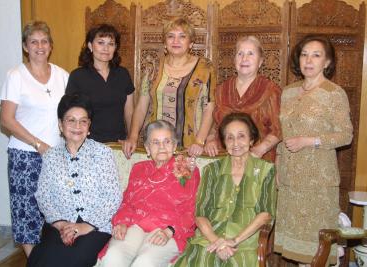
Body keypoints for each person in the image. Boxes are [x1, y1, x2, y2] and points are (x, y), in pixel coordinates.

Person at [274, 35, 353, 265]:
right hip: (290, 181)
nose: (308, 60)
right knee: (299, 250)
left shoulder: (333, 93)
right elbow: (283, 133)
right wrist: (279, 168)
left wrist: (310, 140)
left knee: (316, 249)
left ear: (327, 62)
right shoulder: (289, 92)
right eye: (304, 54)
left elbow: (345, 135)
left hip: (317, 183)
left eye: (316, 55)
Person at [27, 94, 122, 267]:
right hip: (59, 225)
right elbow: (43, 196)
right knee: (40, 259)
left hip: (95, 227)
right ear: (60, 124)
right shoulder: (51, 156)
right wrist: (61, 224)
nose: (77, 126)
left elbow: (112, 197)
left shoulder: (103, 153)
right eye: (71, 120)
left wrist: (85, 226)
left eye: (83, 121)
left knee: (74, 259)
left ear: (89, 126)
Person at [0, 21, 68, 256]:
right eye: (34, 41)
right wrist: (37, 144)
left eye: (44, 41)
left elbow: (69, 114)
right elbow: (7, 120)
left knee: (56, 211)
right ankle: (34, 261)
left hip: (57, 154)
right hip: (25, 156)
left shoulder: (62, 76)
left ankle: (52, 259)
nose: (40, 46)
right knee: (27, 214)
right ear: (25, 47)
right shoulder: (16, 76)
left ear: (51, 45)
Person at [174, 112, 276, 267]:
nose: (236, 143)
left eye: (241, 136)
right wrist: (217, 242)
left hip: (244, 241)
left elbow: (265, 214)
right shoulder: (212, 170)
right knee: (203, 259)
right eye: (230, 137)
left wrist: (233, 241)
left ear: (251, 140)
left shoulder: (265, 170)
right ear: (224, 143)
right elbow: (200, 214)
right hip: (210, 238)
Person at [96, 120, 200, 267]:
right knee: (113, 258)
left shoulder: (187, 170)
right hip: (135, 226)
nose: (162, 147)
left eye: (167, 141)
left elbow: (191, 209)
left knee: (145, 263)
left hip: (168, 230)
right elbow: (127, 201)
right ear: (147, 148)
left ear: (175, 146)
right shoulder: (139, 168)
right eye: (155, 142)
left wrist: (170, 231)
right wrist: (122, 222)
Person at [122, 17, 216, 158]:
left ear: (191, 43)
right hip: (158, 146)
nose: (175, 41)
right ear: (165, 42)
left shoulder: (205, 68)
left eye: (182, 36)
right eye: (170, 36)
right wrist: (133, 137)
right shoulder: (152, 67)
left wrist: (200, 141)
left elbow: (210, 107)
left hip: (192, 147)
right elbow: (141, 106)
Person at [205, 36, 281, 162]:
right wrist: (211, 139)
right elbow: (216, 123)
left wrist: (261, 148)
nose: (244, 59)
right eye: (240, 54)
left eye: (250, 54)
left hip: (258, 160)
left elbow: (279, 128)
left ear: (260, 61)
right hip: (224, 159)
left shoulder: (271, 90)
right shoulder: (222, 89)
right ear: (234, 59)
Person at [66, 24, 134, 143]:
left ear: (115, 48)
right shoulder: (77, 76)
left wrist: (131, 138)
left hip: (119, 143)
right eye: (101, 42)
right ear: (90, 46)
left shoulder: (122, 74)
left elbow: (129, 111)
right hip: (88, 144)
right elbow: (71, 114)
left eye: (111, 44)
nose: (106, 48)